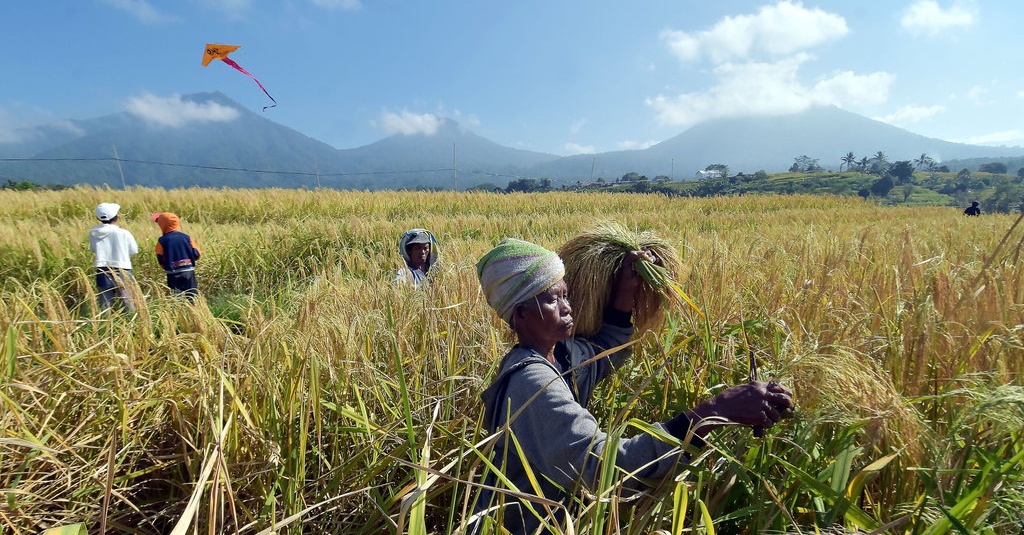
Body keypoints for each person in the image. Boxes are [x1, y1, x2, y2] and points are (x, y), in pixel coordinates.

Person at [470, 238, 794, 535]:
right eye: (553, 300)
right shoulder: (531, 383)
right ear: (521, 313)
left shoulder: (563, 357)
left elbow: (607, 350)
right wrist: (713, 411)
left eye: (566, 294)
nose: (567, 307)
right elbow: (608, 469)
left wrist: (625, 293)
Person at [89, 202, 139, 312]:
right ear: (116, 218)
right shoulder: (124, 233)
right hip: (123, 268)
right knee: (127, 300)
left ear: (98, 217)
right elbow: (134, 250)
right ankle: (131, 323)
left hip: (102, 268)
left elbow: (93, 249)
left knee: (105, 303)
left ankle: (105, 325)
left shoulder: (93, 233)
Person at [152, 212, 202, 301]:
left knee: (177, 299)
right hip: (188, 272)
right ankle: (195, 312)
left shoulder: (162, 241)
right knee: (192, 296)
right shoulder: (187, 237)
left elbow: (160, 258)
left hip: (172, 273)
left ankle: (179, 313)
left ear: (162, 225)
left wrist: (167, 266)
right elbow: (197, 254)